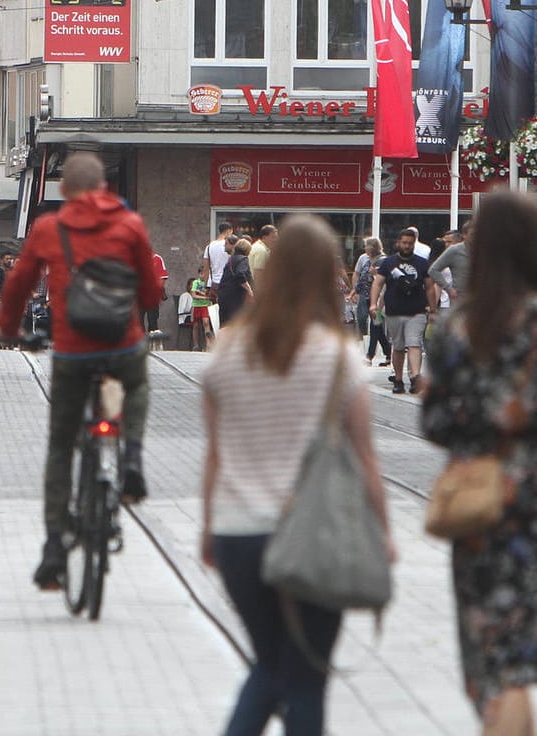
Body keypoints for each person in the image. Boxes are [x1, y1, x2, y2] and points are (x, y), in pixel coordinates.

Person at [201, 215, 391, 736]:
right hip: (314, 533)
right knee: (305, 676)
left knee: (269, 663)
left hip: (239, 533)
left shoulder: (228, 352)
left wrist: (207, 528)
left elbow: (215, 454)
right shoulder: (338, 358)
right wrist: (383, 533)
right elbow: (365, 458)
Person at [422, 190, 537, 735]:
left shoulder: (457, 327)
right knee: (521, 657)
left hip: (477, 493)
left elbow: (433, 421)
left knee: (487, 649)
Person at [0, 151, 163, 590]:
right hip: (120, 343)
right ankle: (130, 458)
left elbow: (19, 284)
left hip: (71, 351)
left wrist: (10, 330)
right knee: (136, 383)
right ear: (105, 188)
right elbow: (150, 290)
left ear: (63, 189)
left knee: (61, 447)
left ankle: (54, 548)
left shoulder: (49, 228)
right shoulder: (130, 225)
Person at [371, 229, 435, 395]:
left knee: (414, 344)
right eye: (404, 243)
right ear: (398, 243)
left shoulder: (422, 263)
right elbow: (378, 284)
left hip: (417, 311)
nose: (407, 246)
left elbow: (429, 287)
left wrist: (432, 308)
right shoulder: (388, 263)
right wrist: (373, 304)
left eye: (410, 243)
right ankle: (398, 380)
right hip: (394, 311)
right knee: (398, 347)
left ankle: (415, 377)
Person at [351, 237, 389, 366]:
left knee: (375, 325)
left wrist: (375, 273)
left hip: (378, 299)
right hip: (366, 297)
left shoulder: (383, 261)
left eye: (367, 246)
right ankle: (388, 351)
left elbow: (384, 280)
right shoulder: (364, 259)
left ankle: (369, 355)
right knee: (369, 323)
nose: (365, 248)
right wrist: (354, 291)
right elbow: (360, 277)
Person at [429, 218, 472, 306]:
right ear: (464, 234)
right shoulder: (454, 250)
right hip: (460, 301)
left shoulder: (485, 251)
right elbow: (433, 270)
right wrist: (449, 289)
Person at [215, 236, 255, 326]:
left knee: (224, 325)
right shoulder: (243, 259)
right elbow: (240, 274)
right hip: (236, 298)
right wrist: (249, 290)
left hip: (224, 296)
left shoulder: (231, 259)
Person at [189, 271, 215, 351]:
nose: (203, 275)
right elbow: (193, 295)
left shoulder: (209, 283)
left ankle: (208, 345)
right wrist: (206, 298)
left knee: (206, 323)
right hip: (196, 305)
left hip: (206, 306)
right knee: (196, 325)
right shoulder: (196, 282)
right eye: (201, 273)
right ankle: (196, 345)